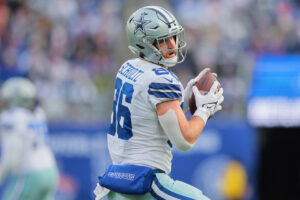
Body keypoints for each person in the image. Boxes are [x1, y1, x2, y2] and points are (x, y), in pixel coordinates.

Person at [94, 6, 224, 200]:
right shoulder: (162, 79)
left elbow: (151, 120)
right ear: (145, 44)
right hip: (144, 181)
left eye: (173, 37)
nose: (172, 44)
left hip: (117, 179)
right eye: (163, 40)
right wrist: (204, 111)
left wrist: (185, 101)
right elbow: (183, 140)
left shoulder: (128, 67)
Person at [0, 77, 59, 200]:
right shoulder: (38, 113)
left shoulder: (11, 117)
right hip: (50, 170)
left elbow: (12, 159)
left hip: (29, 173)